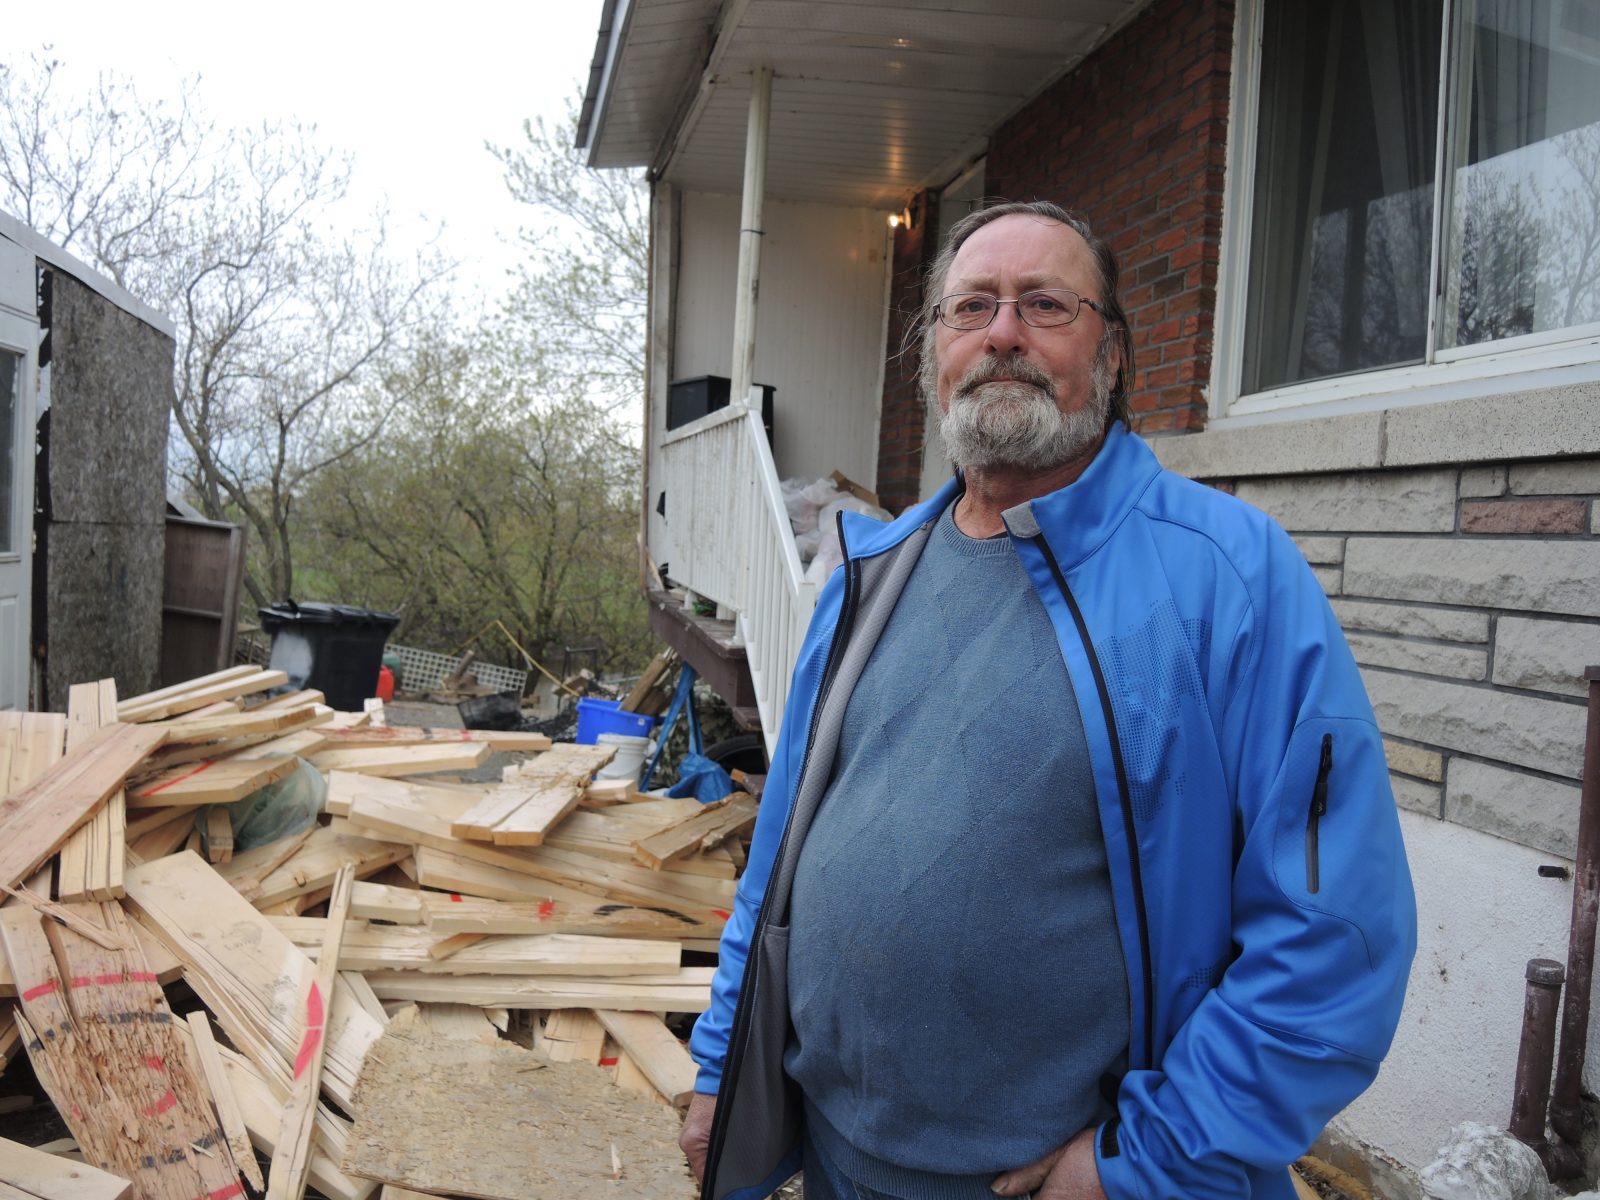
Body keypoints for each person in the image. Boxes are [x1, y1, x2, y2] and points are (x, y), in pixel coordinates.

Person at [679, 200, 1416, 1200]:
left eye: (1045, 305)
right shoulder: (870, 575)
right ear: (933, 350)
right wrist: (724, 1064)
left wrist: (1142, 1167)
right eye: (970, 307)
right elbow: (776, 858)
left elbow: (1336, 936)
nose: (1002, 334)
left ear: (1112, 355)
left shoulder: (1230, 581)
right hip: (842, 1161)